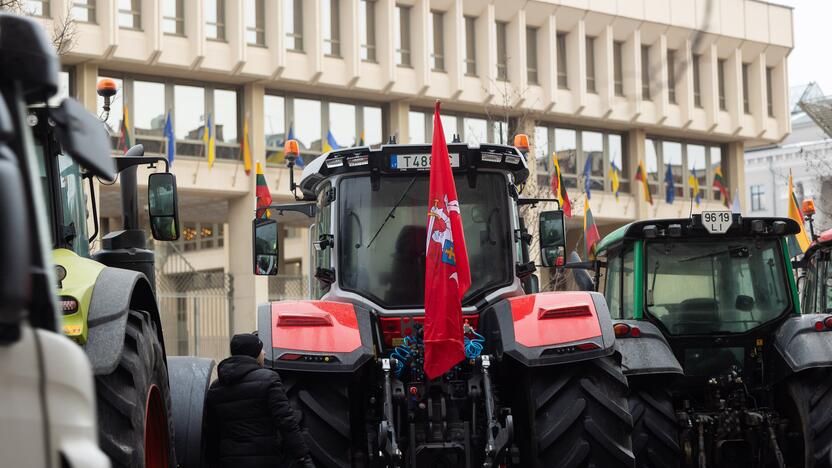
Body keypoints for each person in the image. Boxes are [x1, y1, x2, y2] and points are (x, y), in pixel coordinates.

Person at [205, 333, 314, 468]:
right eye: (261, 349)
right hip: (263, 461)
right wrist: (303, 457)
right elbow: (286, 422)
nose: (264, 352)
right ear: (254, 353)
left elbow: (211, 433)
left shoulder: (216, 387)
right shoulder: (269, 379)